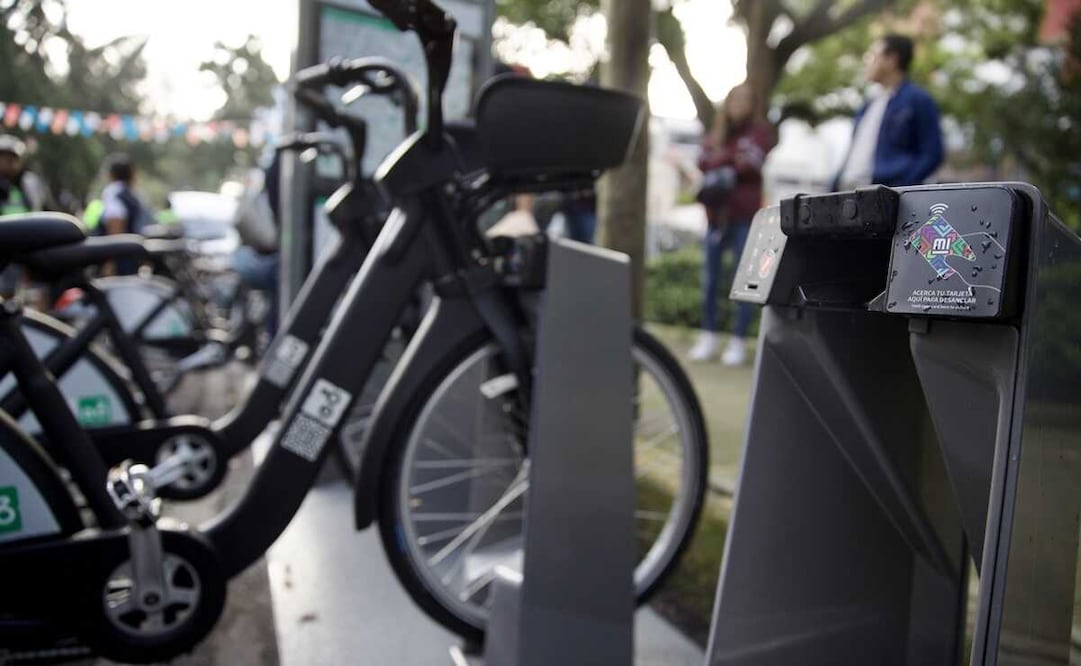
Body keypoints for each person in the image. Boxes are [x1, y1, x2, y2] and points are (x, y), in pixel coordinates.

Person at [688, 84, 775, 366]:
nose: (739, 105)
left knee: (745, 279)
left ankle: (737, 340)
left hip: (743, 217)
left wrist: (721, 160)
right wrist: (730, 159)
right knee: (711, 280)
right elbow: (702, 161)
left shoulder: (759, 132)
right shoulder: (717, 132)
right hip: (716, 217)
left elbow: (751, 164)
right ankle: (709, 335)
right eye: (735, 100)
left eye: (745, 100)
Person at [832, 34, 944, 191]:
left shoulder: (918, 100)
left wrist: (899, 188)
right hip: (847, 194)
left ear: (891, 60)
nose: (867, 61)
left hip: (882, 198)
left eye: (872, 56)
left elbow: (932, 154)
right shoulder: (867, 104)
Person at [0, 134, 47, 296]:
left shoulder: (28, 183)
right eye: (4, 158)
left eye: (12, 159)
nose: (8, 163)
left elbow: (42, 209)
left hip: (24, 248)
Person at [95, 153, 151, 275]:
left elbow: (115, 224)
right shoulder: (133, 195)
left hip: (119, 257)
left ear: (111, 174)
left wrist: (110, 262)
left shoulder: (113, 192)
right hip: (130, 254)